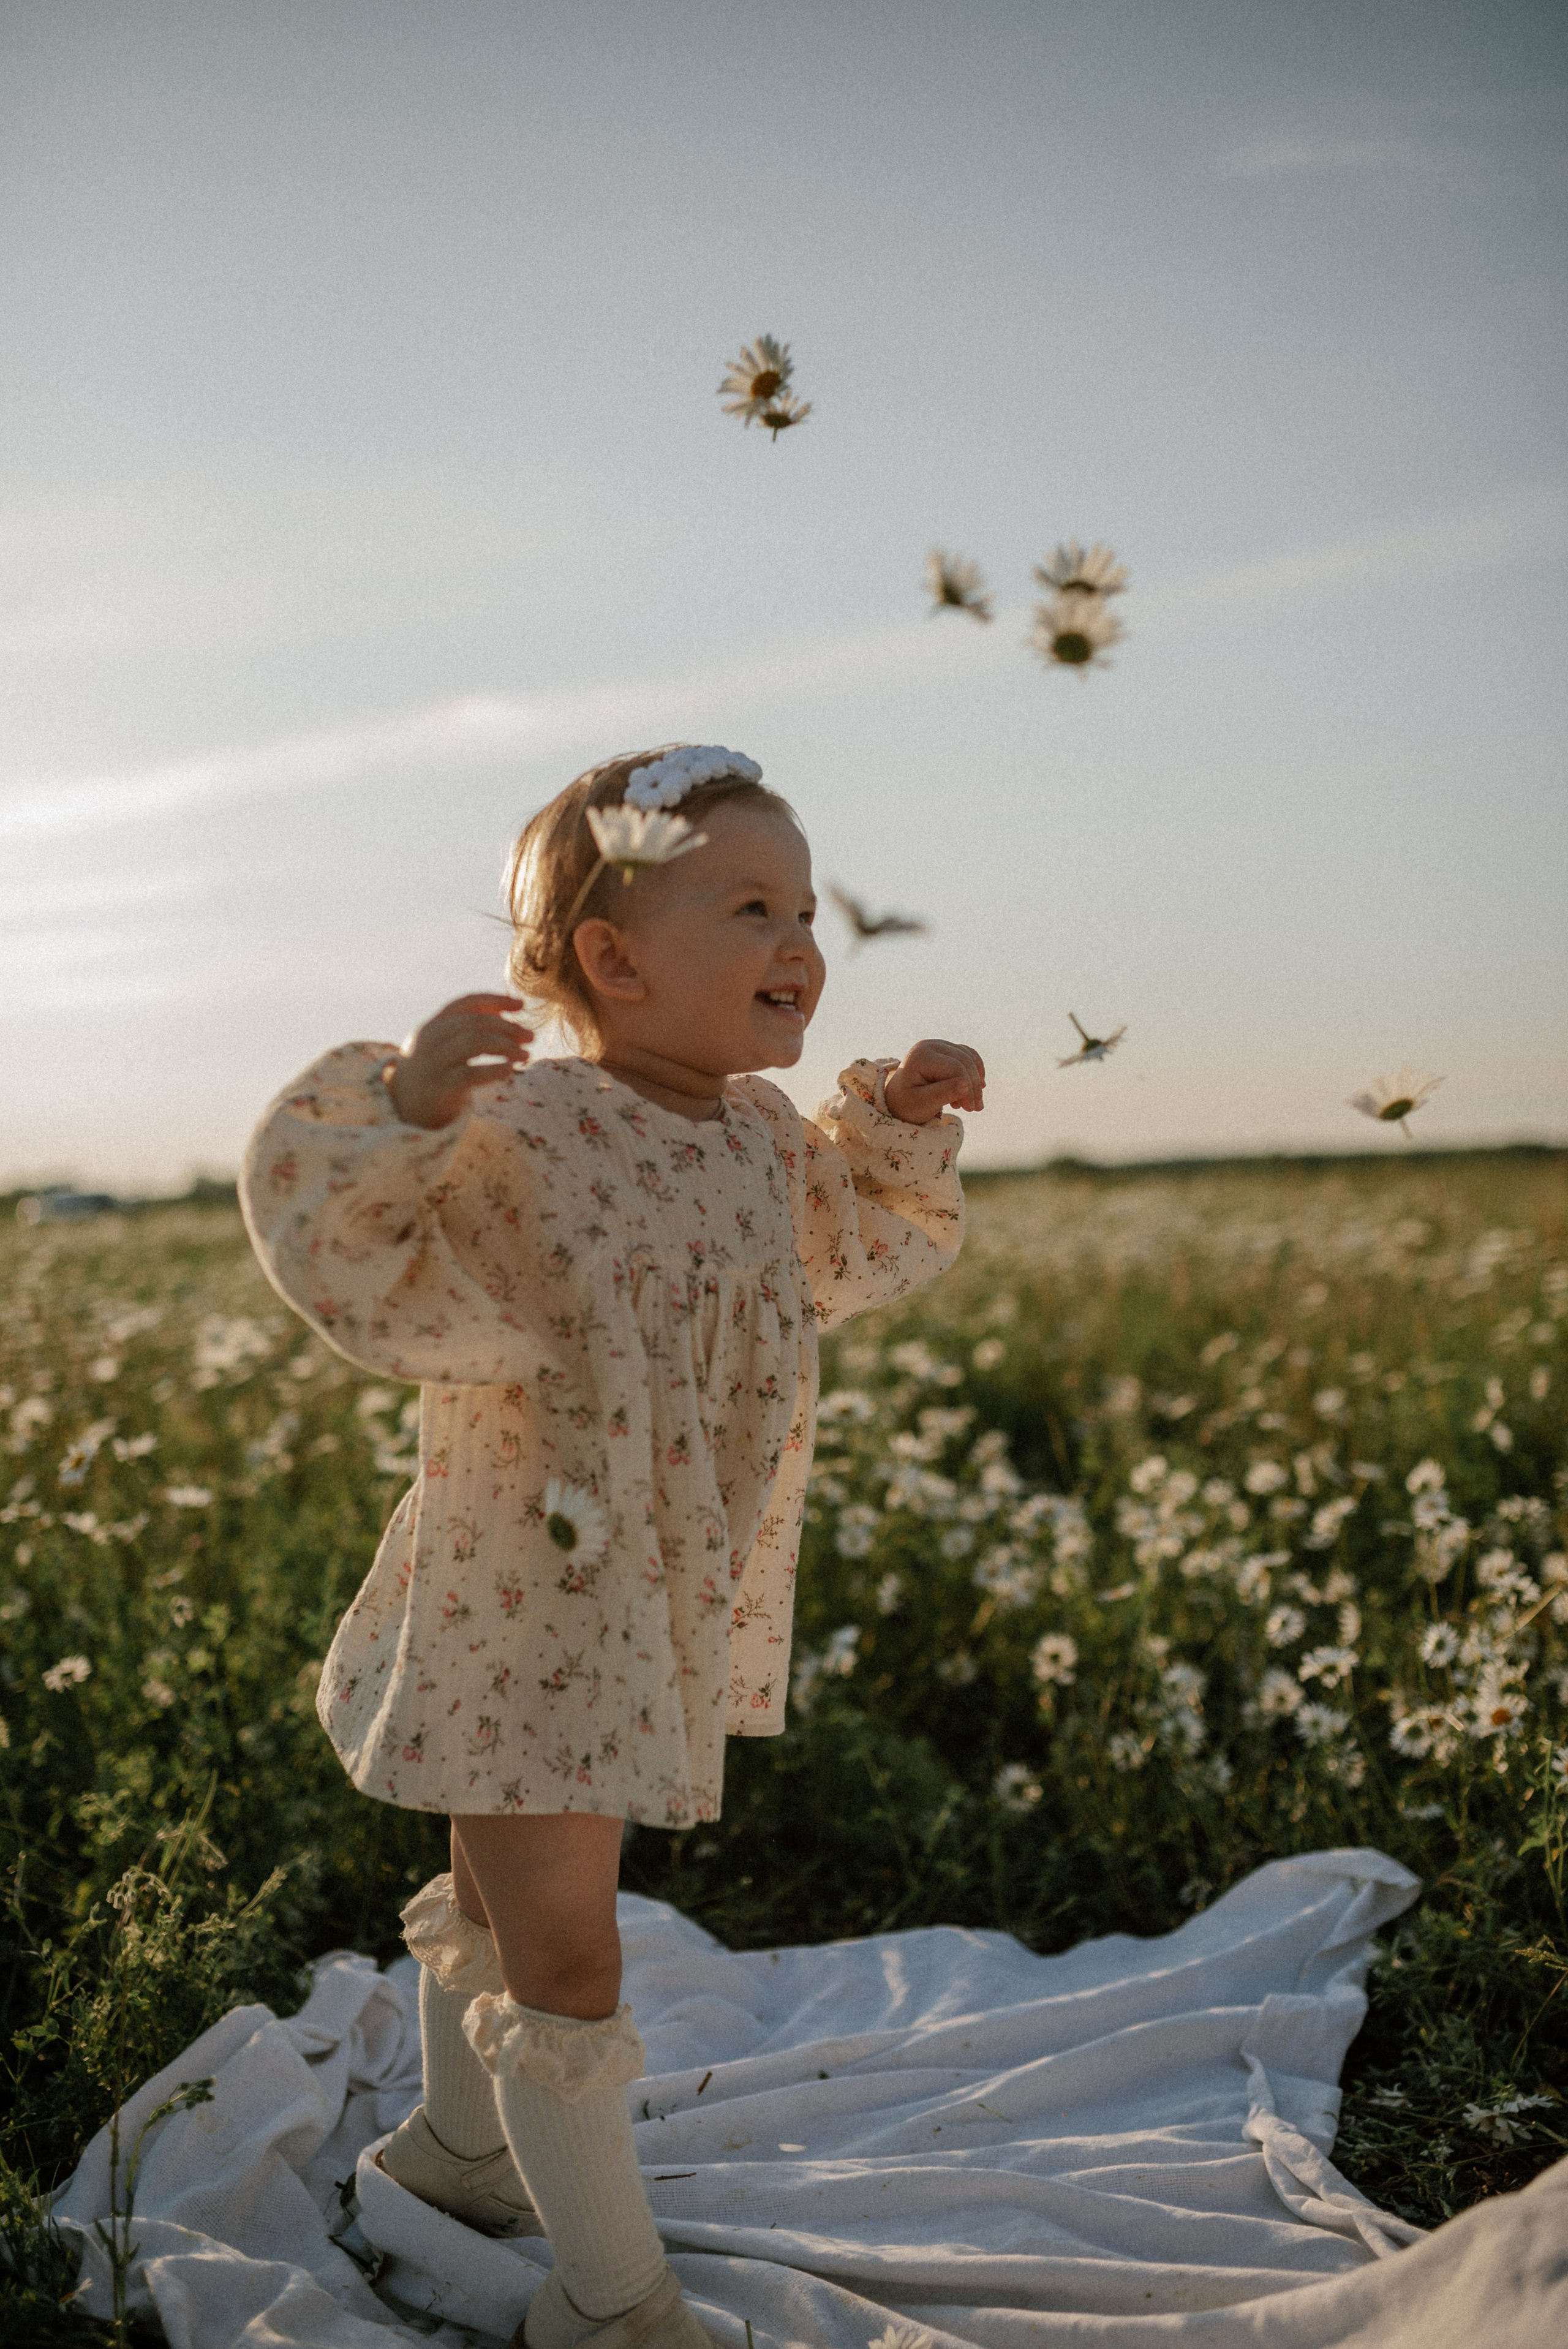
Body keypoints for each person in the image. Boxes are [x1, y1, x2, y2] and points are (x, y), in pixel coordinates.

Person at [241, 744, 984, 2349]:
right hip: (527, 1585)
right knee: (570, 1947)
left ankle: (455, 2154)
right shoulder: (536, 1124)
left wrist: (899, 1127)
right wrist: (405, 1109)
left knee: (506, 1895)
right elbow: (365, 1248)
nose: (801, 939)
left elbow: (854, 1255)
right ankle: (612, 2301)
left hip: (644, 1591)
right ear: (615, 958)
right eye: (750, 905)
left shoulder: (765, 1137)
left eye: (803, 905)